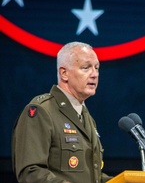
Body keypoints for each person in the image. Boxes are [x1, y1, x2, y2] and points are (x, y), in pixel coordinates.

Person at [12, 42, 113, 183]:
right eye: (86, 68)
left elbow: (91, 177)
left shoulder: (85, 116)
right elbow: (31, 173)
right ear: (64, 73)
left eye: (97, 68)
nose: (94, 74)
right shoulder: (42, 111)